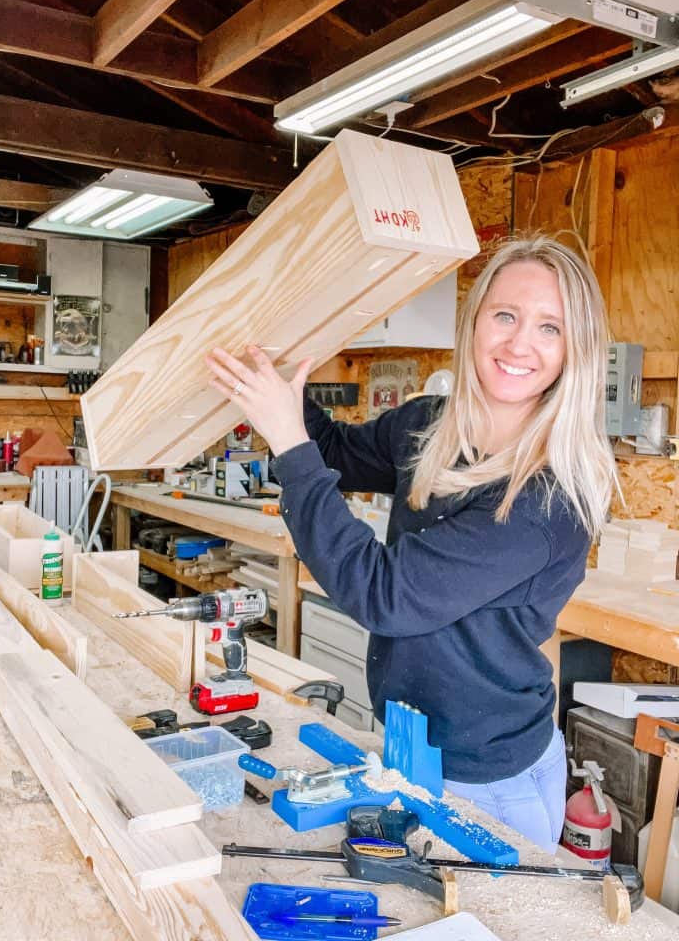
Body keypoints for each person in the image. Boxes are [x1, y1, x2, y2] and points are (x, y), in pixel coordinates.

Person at [206, 235, 616, 852]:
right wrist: (281, 388)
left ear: (574, 352)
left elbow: (384, 594)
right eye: (505, 315)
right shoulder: (430, 423)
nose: (518, 343)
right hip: (414, 744)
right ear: (475, 320)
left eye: (549, 327)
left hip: (487, 776)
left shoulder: (546, 499)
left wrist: (289, 443)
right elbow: (337, 456)